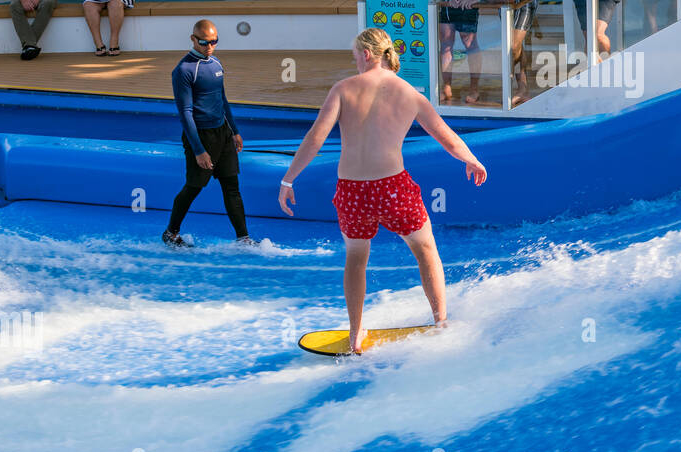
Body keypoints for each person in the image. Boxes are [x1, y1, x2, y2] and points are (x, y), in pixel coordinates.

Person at [277, 27, 487, 352]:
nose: (355, 64)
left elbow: (315, 138)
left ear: (366, 55)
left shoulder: (343, 89)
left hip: (352, 191)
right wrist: (471, 160)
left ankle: (356, 331)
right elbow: (444, 135)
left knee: (356, 259)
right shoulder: (409, 93)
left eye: (354, 58)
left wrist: (288, 179)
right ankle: (440, 320)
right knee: (426, 251)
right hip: (392, 187)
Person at [164, 20, 257, 247]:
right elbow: (185, 113)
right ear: (193, 39)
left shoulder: (215, 63)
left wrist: (234, 131)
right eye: (204, 42)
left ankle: (243, 238)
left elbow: (222, 100)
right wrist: (199, 150)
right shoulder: (184, 70)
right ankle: (171, 232)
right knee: (193, 187)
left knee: (232, 187)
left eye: (214, 41)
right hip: (201, 136)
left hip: (223, 134)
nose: (209, 46)